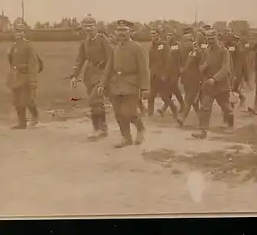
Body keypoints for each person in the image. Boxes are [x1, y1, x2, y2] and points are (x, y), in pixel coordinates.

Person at [98, 20, 149, 148]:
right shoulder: (115, 48)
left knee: (128, 112)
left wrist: (144, 88)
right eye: (119, 30)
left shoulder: (137, 47)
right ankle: (126, 137)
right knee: (118, 113)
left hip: (131, 84)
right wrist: (102, 84)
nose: (121, 33)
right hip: (116, 85)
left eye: (124, 30)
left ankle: (141, 128)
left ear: (130, 32)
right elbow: (109, 68)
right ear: (115, 32)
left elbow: (143, 69)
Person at [69, 14, 112, 140]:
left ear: (96, 26)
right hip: (90, 74)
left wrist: (108, 74)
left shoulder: (103, 39)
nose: (88, 28)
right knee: (95, 102)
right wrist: (74, 75)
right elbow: (80, 59)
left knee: (95, 100)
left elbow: (111, 56)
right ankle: (103, 128)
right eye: (86, 26)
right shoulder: (85, 42)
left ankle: (97, 128)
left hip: (102, 72)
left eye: (91, 25)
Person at [192, 29, 234, 139]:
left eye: (212, 39)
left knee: (226, 107)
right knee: (205, 107)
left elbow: (226, 68)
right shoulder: (207, 51)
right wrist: (202, 68)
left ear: (216, 38)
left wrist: (215, 78)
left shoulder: (224, 51)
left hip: (221, 84)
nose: (210, 41)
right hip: (209, 85)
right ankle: (203, 131)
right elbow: (204, 64)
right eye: (208, 39)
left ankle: (230, 123)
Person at [6, 19, 40, 129]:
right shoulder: (13, 46)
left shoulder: (28, 45)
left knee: (26, 100)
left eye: (20, 31)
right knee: (16, 101)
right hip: (16, 77)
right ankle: (21, 123)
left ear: (24, 33)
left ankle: (35, 115)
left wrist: (32, 79)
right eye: (16, 31)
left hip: (26, 76)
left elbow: (33, 63)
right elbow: (11, 60)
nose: (18, 33)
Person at [147, 28, 177, 117]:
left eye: (154, 34)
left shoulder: (163, 45)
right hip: (154, 75)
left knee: (165, 96)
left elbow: (168, 61)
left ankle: (174, 109)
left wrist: (165, 74)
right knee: (151, 96)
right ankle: (150, 114)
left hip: (162, 76)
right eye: (151, 34)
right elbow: (150, 62)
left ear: (158, 35)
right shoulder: (151, 47)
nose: (152, 36)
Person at [177, 33, 203, 126]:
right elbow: (180, 63)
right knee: (192, 101)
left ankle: (182, 118)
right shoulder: (183, 52)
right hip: (186, 79)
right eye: (184, 42)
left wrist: (201, 79)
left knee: (188, 99)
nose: (185, 44)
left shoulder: (198, 52)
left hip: (195, 79)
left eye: (188, 41)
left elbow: (201, 66)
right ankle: (201, 118)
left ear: (192, 42)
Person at [160, 29, 185, 117]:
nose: (169, 37)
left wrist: (181, 68)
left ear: (173, 36)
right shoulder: (163, 45)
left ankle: (171, 106)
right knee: (172, 89)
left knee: (172, 87)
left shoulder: (177, 45)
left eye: (171, 35)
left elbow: (182, 57)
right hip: (166, 71)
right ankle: (177, 105)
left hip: (175, 70)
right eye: (168, 35)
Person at [225, 33, 249, 110]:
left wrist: (246, 76)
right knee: (232, 88)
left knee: (232, 89)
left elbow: (245, 64)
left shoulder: (240, 50)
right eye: (233, 41)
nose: (234, 42)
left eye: (235, 41)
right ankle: (242, 98)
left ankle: (232, 106)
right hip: (229, 71)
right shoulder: (229, 48)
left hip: (236, 72)